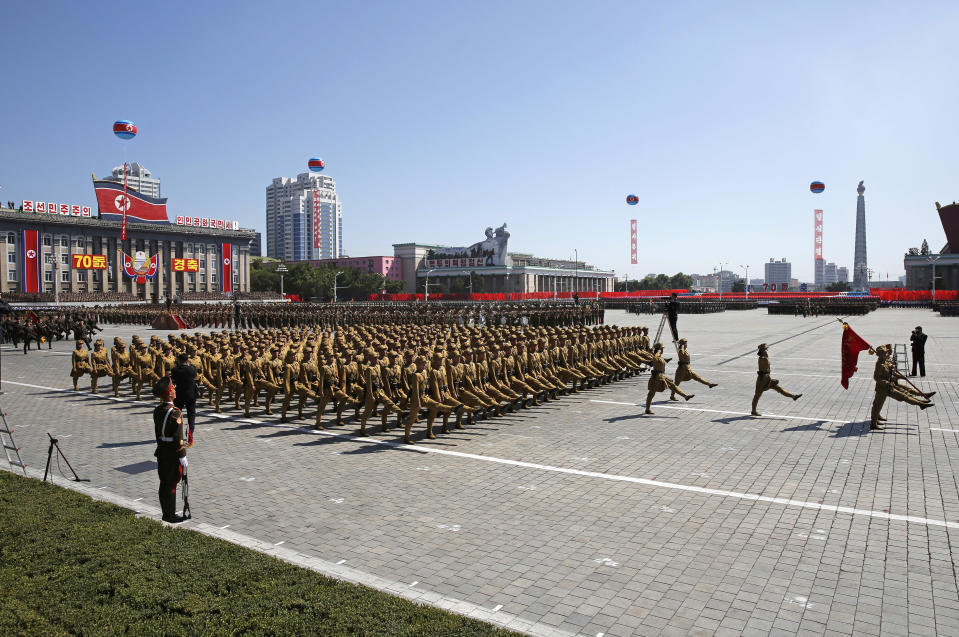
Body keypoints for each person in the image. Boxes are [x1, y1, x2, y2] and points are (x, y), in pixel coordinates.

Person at [153, 376, 188, 524]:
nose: (174, 391)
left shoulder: (158, 410)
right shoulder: (175, 412)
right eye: (172, 389)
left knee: (164, 482)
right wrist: (182, 455)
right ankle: (171, 514)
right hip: (172, 452)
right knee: (172, 483)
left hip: (161, 450)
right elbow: (178, 437)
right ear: (168, 393)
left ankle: (165, 512)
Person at [751, 343, 802, 416]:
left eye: (766, 349)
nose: (766, 351)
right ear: (762, 351)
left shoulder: (765, 357)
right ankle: (753, 411)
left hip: (767, 378)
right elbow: (764, 368)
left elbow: (767, 368)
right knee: (757, 396)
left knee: (779, 389)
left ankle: (794, 396)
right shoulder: (762, 358)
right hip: (761, 380)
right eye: (765, 349)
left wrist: (770, 379)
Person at [170, 353, 197, 446]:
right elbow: (194, 375)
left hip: (179, 395)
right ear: (187, 360)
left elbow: (173, 378)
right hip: (191, 395)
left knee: (177, 415)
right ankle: (190, 435)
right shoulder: (192, 369)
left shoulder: (175, 370)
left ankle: (177, 434)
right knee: (191, 416)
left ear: (179, 360)